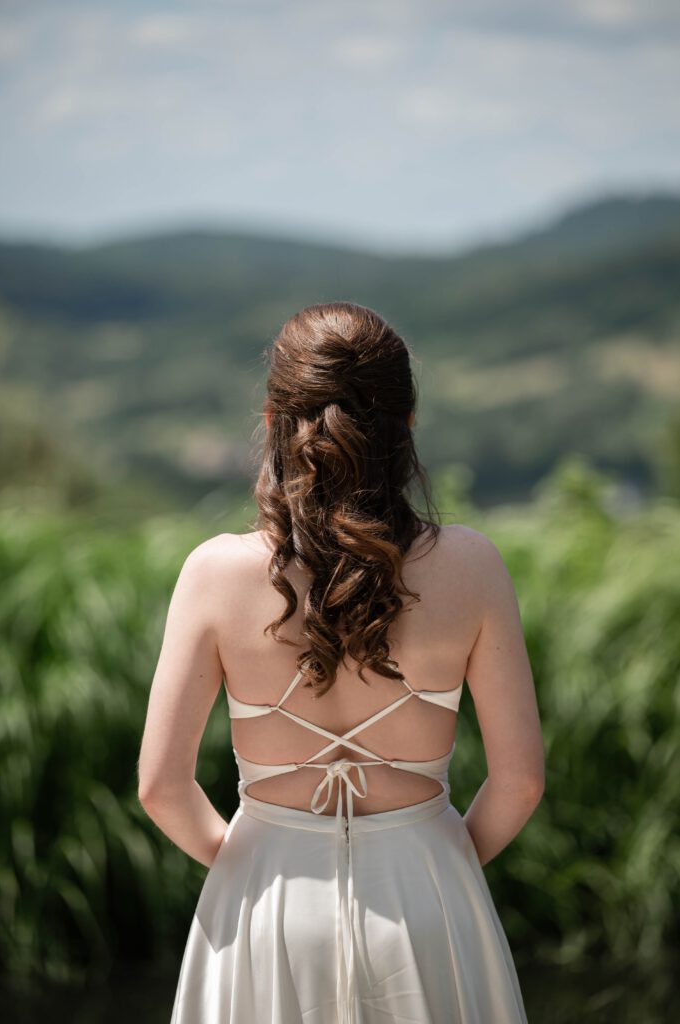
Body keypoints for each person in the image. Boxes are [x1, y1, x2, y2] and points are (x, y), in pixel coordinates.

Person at [138, 301, 544, 1023]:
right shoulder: (472, 566)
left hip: (264, 900)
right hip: (426, 897)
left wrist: (252, 865)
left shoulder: (213, 574)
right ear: (406, 425)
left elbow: (160, 789)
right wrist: (432, 869)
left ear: (271, 423)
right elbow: (518, 782)